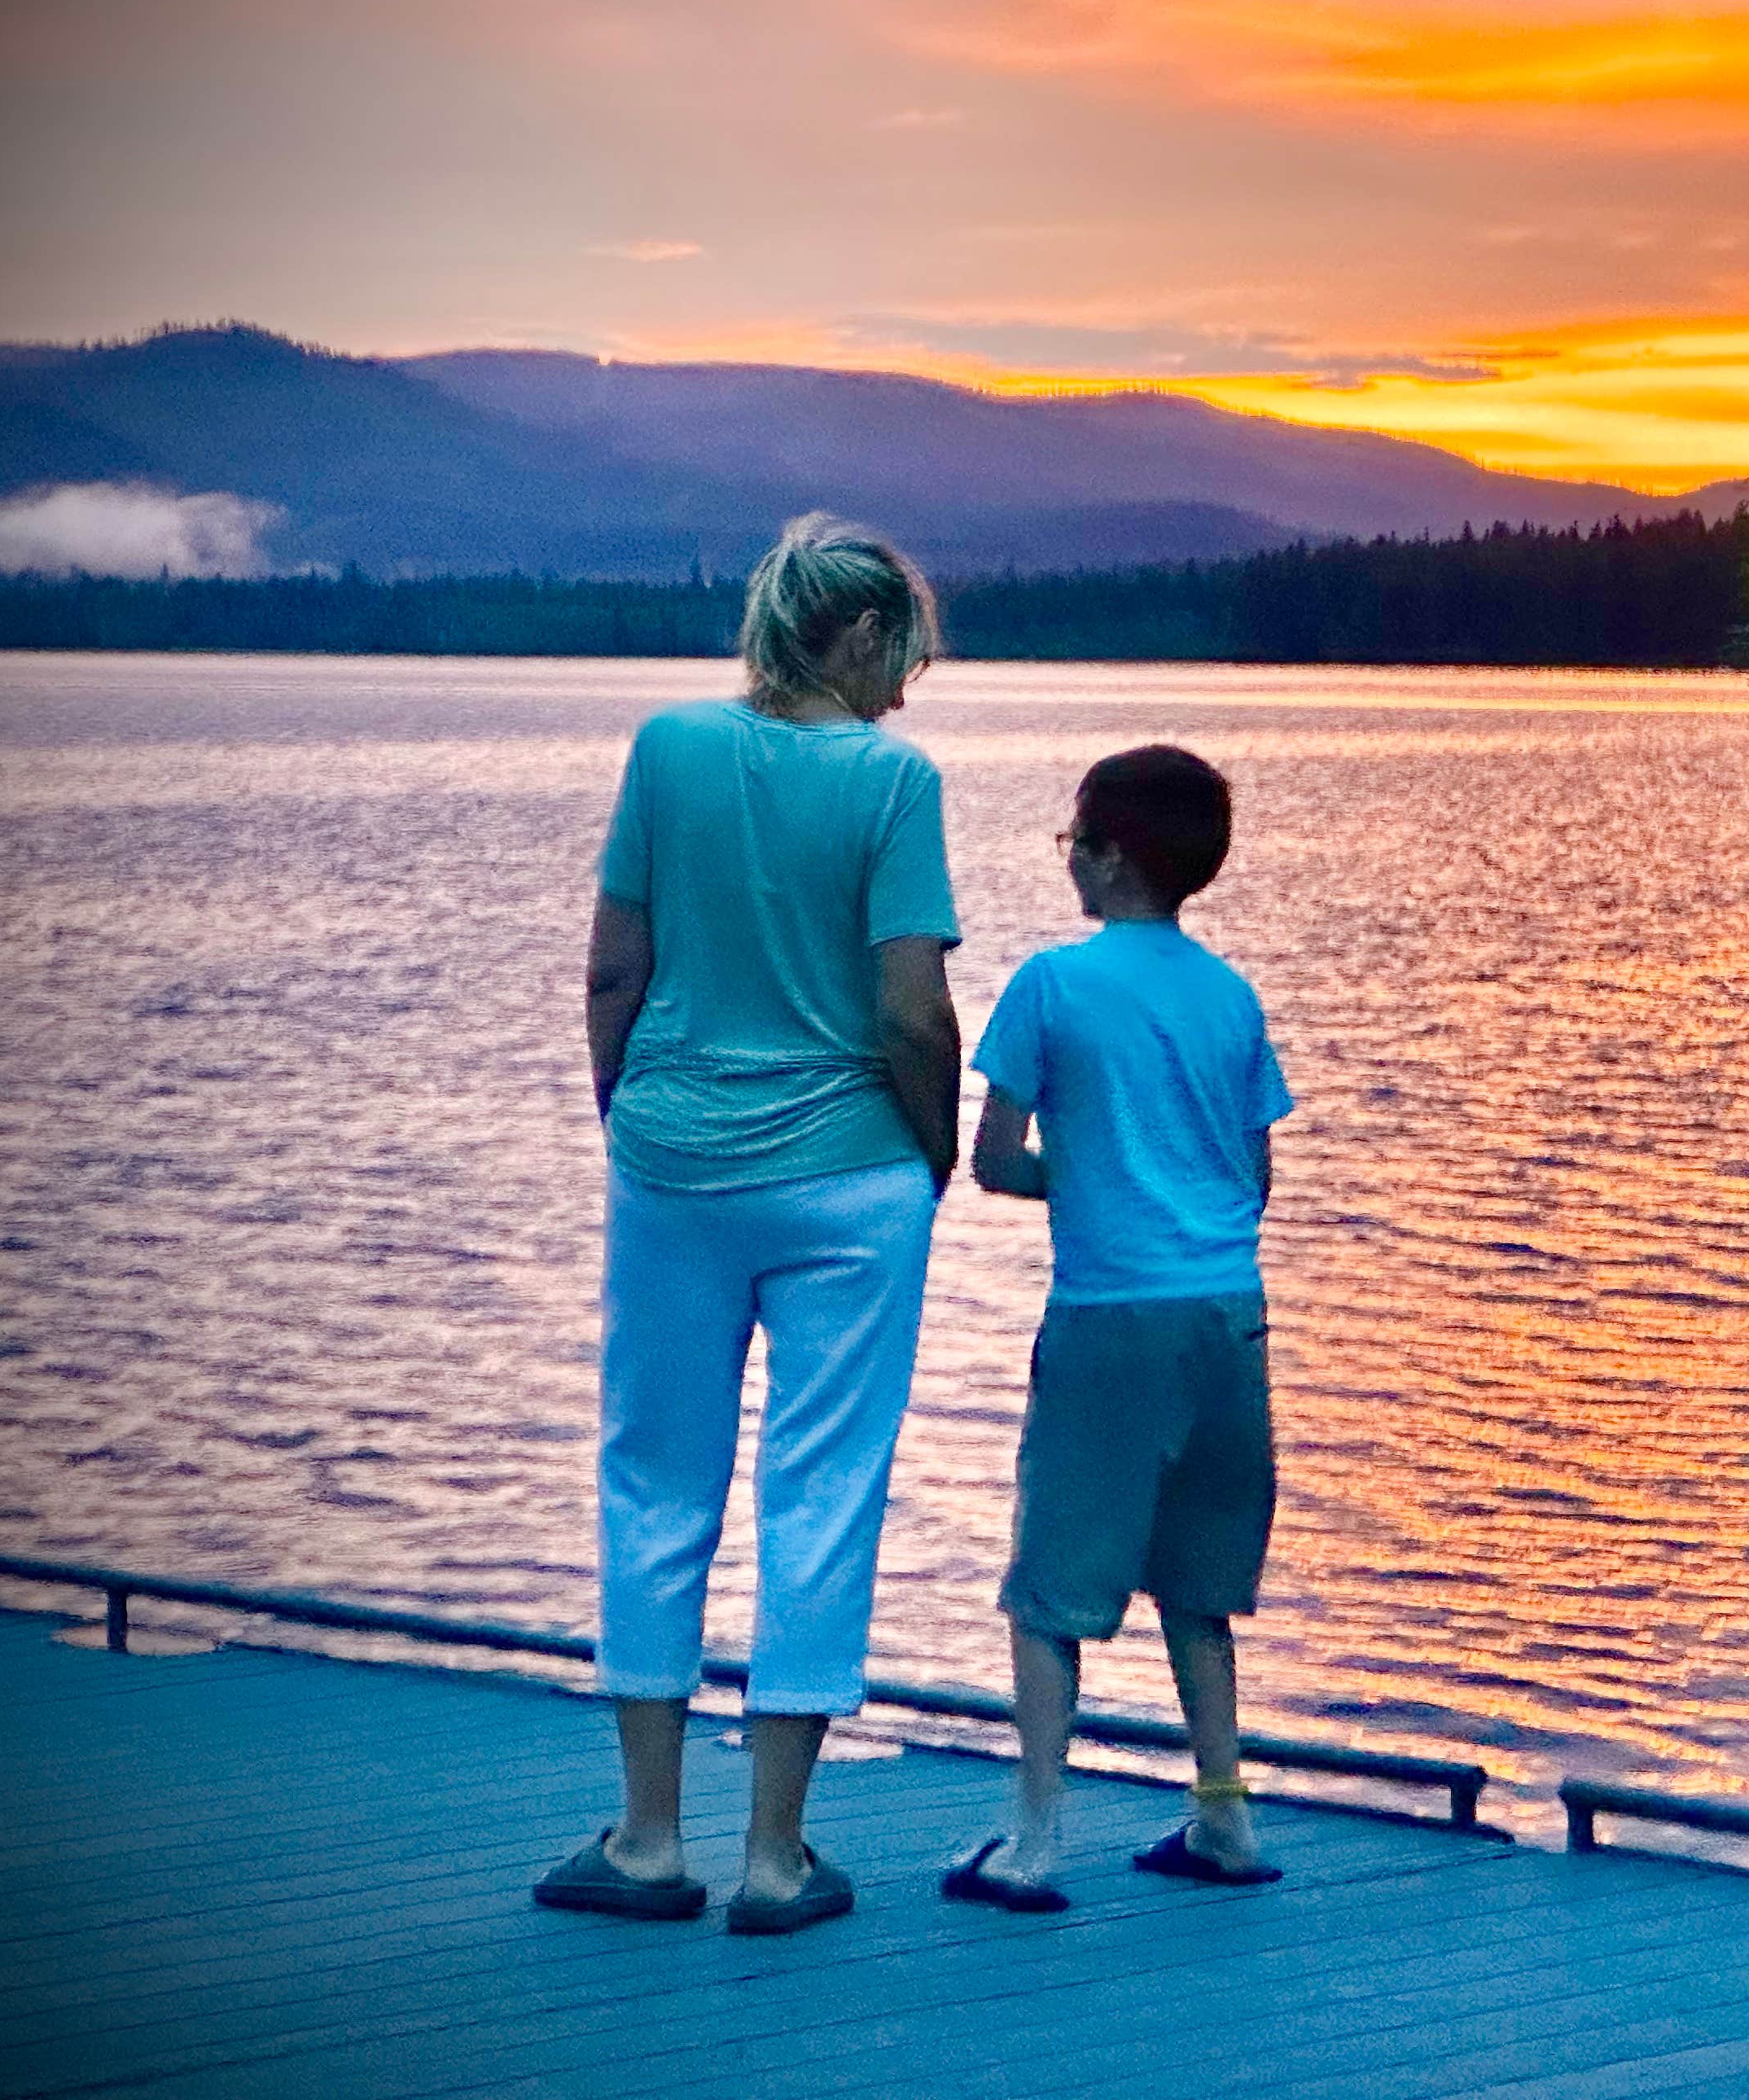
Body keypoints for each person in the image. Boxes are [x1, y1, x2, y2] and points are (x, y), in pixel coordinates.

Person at [534, 513, 960, 1938]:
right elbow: (909, 1007)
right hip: (850, 1179)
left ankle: (650, 1840)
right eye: (901, 649)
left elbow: (613, 971)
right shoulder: (895, 780)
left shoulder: (668, 749)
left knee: (654, 1475)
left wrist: (633, 1119)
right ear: (850, 638)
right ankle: (779, 1858)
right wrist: (937, 1150)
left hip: (674, 1162)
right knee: (821, 1489)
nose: (908, 683)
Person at [942, 743, 1294, 1911]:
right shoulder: (1231, 996)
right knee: (1198, 1584)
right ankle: (1224, 1816)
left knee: (1051, 1588)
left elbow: (989, 1160)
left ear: (1113, 855)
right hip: (1228, 1317)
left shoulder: (1052, 985)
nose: (1070, 865)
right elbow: (1253, 1174)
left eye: (1075, 844)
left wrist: (1081, 1180)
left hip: (1108, 1317)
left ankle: (1036, 1837)